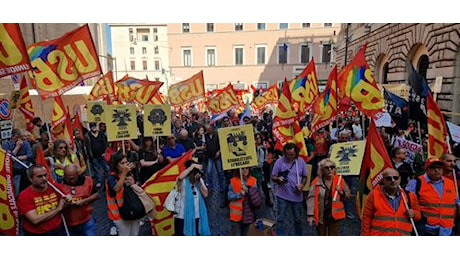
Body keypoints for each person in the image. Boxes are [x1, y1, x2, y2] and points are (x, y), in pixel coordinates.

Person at [360, 168, 421, 236]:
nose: (393, 180)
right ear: (383, 180)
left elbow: (418, 216)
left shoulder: (410, 196)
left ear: (400, 179)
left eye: (395, 178)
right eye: (389, 178)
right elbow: (366, 218)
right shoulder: (374, 195)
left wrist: (413, 214)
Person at [406, 158, 458, 236]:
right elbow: (407, 203)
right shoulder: (416, 183)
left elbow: (455, 204)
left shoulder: (450, 183)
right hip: (426, 229)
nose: (437, 170)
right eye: (433, 167)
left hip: (447, 230)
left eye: (439, 168)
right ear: (426, 169)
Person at [17, 164, 72, 235]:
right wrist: (58, 209)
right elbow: (35, 220)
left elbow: (66, 202)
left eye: (45, 175)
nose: (44, 178)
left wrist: (69, 198)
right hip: (37, 234)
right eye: (40, 176)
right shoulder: (24, 195)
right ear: (30, 179)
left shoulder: (55, 187)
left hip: (58, 230)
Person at [271, 143, 308, 236]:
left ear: (296, 153)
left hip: (296, 196)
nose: (289, 157)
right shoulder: (280, 161)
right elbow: (273, 176)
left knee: (298, 219)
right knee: (280, 218)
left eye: (291, 154)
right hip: (282, 195)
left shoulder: (301, 162)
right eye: (287, 154)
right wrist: (278, 179)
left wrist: (302, 185)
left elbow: (305, 176)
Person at [307, 159, 350, 236]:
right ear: (322, 170)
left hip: (335, 216)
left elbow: (348, 195)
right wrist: (310, 215)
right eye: (327, 168)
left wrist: (341, 192)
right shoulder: (316, 182)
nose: (329, 169)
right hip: (321, 215)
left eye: (332, 167)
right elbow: (311, 198)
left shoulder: (340, 180)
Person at [60, 164, 100, 236]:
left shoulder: (88, 181)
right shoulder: (59, 185)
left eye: (73, 178)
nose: (70, 181)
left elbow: (96, 195)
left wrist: (84, 201)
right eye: (67, 178)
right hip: (69, 223)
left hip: (86, 220)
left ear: (77, 174)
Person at [106, 152, 140, 236]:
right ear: (116, 165)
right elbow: (116, 189)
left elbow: (139, 190)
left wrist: (134, 184)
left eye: (126, 162)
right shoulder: (111, 178)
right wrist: (124, 173)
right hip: (119, 215)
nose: (125, 165)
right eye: (122, 163)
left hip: (133, 211)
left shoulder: (131, 174)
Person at [173, 160, 210, 236]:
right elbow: (180, 177)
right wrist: (192, 167)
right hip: (182, 217)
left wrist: (199, 182)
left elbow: (206, 194)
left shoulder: (199, 180)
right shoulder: (182, 182)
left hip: (197, 216)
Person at [228, 167, 262, 236]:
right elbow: (229, 196)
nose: (245, 170)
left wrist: (248, 190)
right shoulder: (233, 181)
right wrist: (240, 194)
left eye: (247, 168)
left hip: (248, 215)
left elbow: (256, 198)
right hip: (236, 216)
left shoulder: (253, 181)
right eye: (243, 169)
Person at [2, 128, 33, 197]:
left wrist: (18, 158)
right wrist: (17, 147)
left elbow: (30, 155)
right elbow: (9, 158)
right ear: (12, 136)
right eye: (17, 137)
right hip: (15, 170)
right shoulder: (6, 145)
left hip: (26, 167)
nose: (19, 139)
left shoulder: (26, 144)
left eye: (20, 137)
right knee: (16, 187)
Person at [84, 122, 109, 188]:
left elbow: (106, 143)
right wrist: (89, 155)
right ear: (90, 128)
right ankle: (99, 181)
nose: (93, 128)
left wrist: (105, 152)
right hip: (94, 156)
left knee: (106, 168)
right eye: (92, 127)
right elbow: (87, 146)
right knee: (96, 170)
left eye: (94, 126)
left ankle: (107, 179)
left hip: (102, 154)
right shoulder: (87, 135)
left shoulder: (101, 134)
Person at [441, 153, 460, 235]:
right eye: (449, 161)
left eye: (454, 161)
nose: (452, 164)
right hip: (442, 218)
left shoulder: (458, 176)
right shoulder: (436, 177)